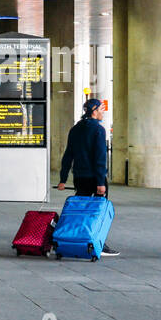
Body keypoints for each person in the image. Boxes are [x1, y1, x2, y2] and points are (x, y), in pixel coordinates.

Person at [55, 98, 118, 257]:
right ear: (94, 111)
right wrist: (100, 182)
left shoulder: (75, 129)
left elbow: (68, 155)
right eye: (101, 110)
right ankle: (98, 242)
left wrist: (63, 179)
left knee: (79, 209)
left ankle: (73, 238)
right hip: (95, 178)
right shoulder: (98, 129)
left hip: (80, 177)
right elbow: (99, 158)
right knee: (97, 213)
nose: (103, 113)